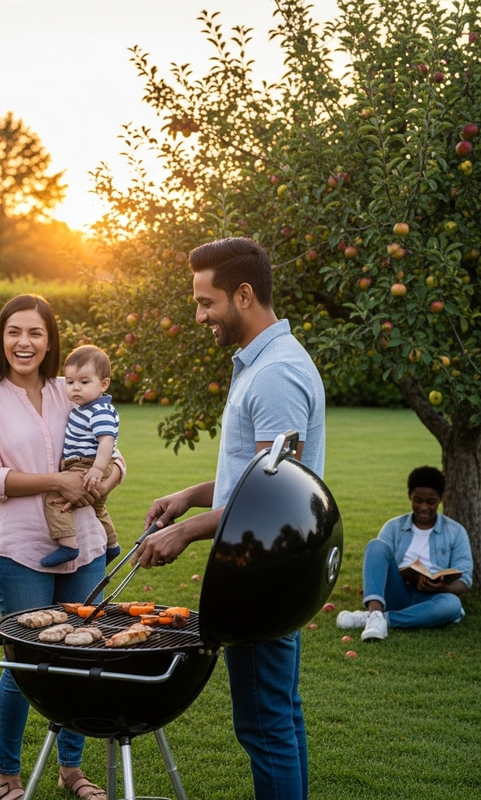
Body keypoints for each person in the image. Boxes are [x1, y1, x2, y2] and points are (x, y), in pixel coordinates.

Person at [134, 237, 325, 800]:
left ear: (243, 294)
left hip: (264, 569)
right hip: (263, 567)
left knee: (265, 725)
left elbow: (270, 498)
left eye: (206, 302)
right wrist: (191, 497)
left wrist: (188, 532)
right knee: (279, 716)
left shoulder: (276, 375)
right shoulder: (263, 364)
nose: (199, 316)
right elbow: (253, 473)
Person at [0, 294, 123, 800]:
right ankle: (6, 774)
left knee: (80, 659)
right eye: (14, 332)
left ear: (49, 340)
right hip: (18, 548)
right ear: (0, 338)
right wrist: (60, 480)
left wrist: (107, 479)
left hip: (86, 544)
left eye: (35, 333)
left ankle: (71, 769)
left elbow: (114, 452)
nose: (24, 342)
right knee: (25, 661)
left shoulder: (68, 388)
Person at [337, 465, 473, 642]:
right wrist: (406, 576)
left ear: (440, 499)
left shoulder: (456, 532)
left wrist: (444, 588)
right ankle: (376, 614)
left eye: (430, 502)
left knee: (452, 605)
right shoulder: (394, 527)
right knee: (376, 546)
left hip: (433, 599)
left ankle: (376, 618)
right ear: (410, 496)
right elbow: (379, 562)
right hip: (398, 592)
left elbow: (465, 579)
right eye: (418, 500)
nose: (423, 507)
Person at [41, 344, 121, 567]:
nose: (75, 388)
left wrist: (96, 469)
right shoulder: (85, 407)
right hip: (86, 463)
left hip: (87, 465)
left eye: (84, 382)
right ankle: (112, 546)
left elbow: (106, 441)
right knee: (97, 509)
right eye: (70, 382)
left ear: (103, 384)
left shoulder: (98, 411)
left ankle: (68, 545)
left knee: (55, 499)